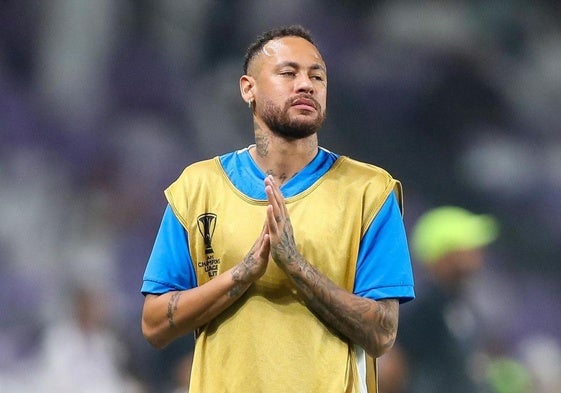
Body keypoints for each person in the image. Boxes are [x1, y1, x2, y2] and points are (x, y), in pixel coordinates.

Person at [140, 25, 415, 393]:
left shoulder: (369, 191)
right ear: (247, 88)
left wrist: (297, 267)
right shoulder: (198, 187)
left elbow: (382, 333)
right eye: (288, 73)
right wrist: (241, 275)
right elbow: (155, 325)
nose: (307, 84)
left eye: (317, 76)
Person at [398, 205, 499, 393]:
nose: (478, 256)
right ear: (445, 255)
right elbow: (395, 367)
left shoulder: (461, 304)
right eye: (469, 248)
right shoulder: (424, 308)